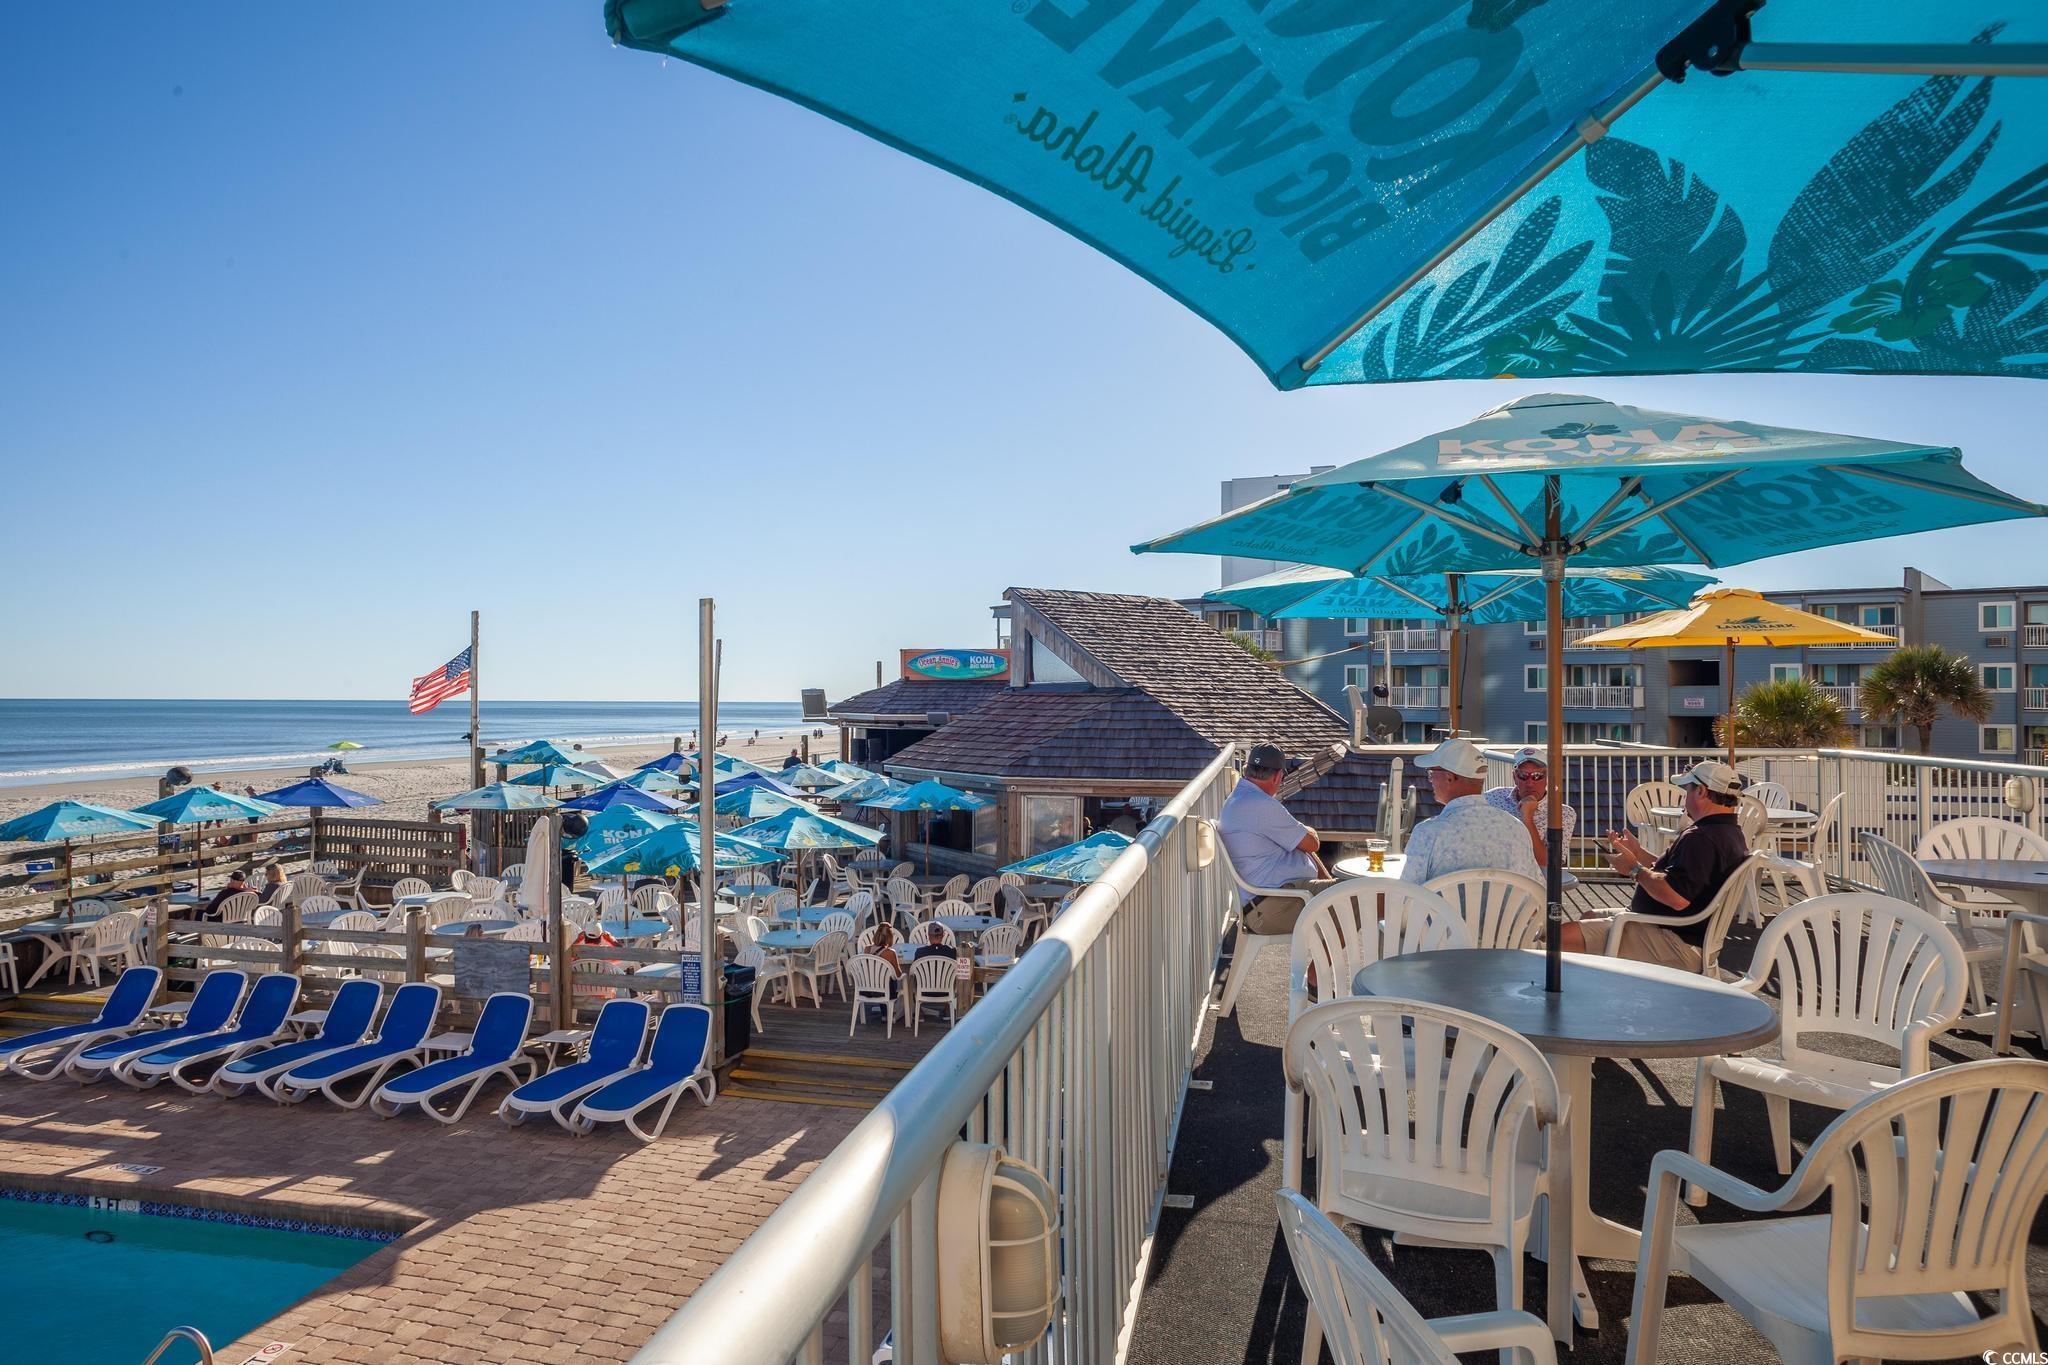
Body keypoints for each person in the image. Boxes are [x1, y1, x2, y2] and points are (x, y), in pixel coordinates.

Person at [1563, 760, 1750, 972]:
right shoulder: (1728, 832)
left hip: (1673, 943)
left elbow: (1676, 898)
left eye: (1687, 789)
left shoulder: (1702, 839)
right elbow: (1677, 876)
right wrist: (1639, 854)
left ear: (1701, 791)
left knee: (1561, 939)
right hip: (1673, 932)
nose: (1684, 796)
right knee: (1588, 917)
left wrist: (1634, 870)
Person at [1216, 743, 1332, 936]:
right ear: (1278, 776)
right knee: (1369, 896)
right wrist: (1307, 829)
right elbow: (1313, 843)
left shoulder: (1239, 797)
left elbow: (1304, 847)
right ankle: (1321, 967)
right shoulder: (1261, 805)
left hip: (1266, 901)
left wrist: (1327, 882)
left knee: (1344, 892)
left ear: (1247, 770)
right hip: (1275, 907)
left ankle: (1323, 965)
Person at [1399, 738, 1541, 884]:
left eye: (1431, 773)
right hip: (1507, 908)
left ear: (1450, 777)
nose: (1430, 779)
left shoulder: (1428, 833)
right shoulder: (1516, 828)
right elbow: (1537, 888)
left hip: (1446, 908)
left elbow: (1406, 893)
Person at [1483, 746, 1577, 871]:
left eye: (1537, 776)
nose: (1530, 783)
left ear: (1548, 777)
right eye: (1523, 775)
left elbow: (1549, 862)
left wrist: (1527, 819)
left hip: (1533, 883)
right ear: (1514, 777)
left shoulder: (1563, 814)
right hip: (1492, 874)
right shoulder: (1493, 797)